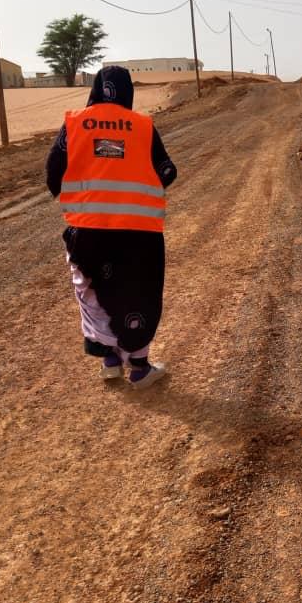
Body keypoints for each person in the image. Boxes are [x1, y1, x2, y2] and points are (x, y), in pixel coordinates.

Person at [45, 66, 176, 388]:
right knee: (136, 293)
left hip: (87, 230)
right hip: (138, 232)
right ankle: (140, 368)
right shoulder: (143, 126)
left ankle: (110, 361)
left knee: (95, 291)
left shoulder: (75, 123)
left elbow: (53, 171)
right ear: (127, 90)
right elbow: (167, 171)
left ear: (95, 89)